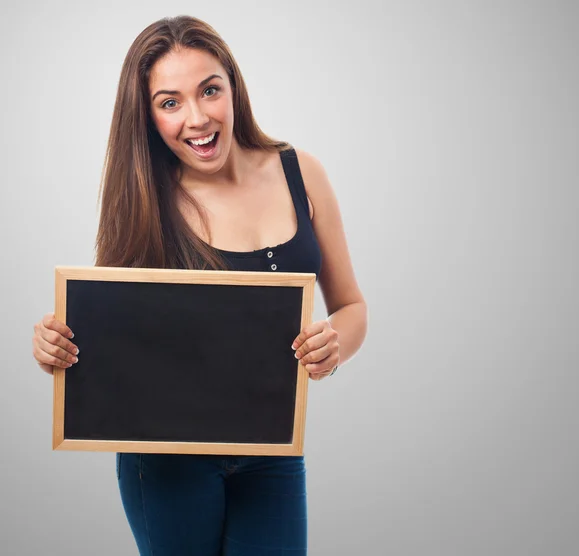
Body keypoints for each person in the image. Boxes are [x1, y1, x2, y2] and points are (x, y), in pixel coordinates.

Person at [31, 15, 367, 556]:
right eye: (169, 102)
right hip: (165, 460)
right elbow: (105, 330)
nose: (198, 117)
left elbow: (350, 307)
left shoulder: (301, 172)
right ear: (147, 115)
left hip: (272, 451)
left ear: (233, 87)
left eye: (210, 90)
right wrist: (54, 345)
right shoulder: (144, 195)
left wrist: (334, 345)